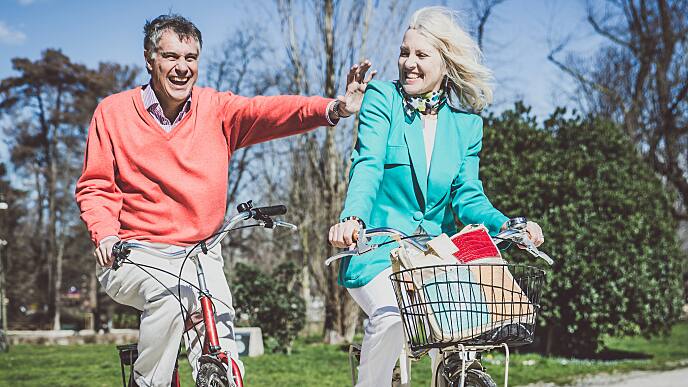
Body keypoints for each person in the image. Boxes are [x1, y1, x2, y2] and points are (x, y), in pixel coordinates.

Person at [75, 14, 374, 387]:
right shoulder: (114, 112)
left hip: (201, 252)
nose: (182, 68)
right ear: (149, 59)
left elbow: (268, 112)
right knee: (170, 299)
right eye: (171, 57)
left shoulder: (214, 109)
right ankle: (147, 381)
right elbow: (96, 186)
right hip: (134, 252)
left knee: (222, 345)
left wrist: (335, 108)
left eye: (191, 58)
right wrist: (105, 234)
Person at [328, 6, 544, 387]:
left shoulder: (466, 126)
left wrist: (506, 224)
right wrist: (353, 219)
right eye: (404, 52)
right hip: (378, 249)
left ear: (446, 62)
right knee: (394, 314)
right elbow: (369, 164)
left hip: (434, 254)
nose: (408, 63)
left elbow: (468, 196)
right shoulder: (382, 100)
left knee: (466, 333)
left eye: (421, 55)